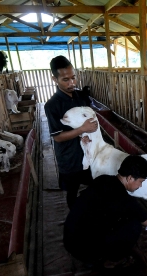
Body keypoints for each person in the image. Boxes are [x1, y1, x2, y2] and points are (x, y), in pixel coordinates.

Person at [63, 155, 147, 268]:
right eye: (141, 181)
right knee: (135, 225)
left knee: (119, 218)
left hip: (69, 240)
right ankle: (112, 260)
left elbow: (75, 179)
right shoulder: (125, 200)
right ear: (130, 178)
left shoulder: (102, 179)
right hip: (84, 251)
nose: (140, 185)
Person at [44, 55, 98, 209]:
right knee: (72, 192)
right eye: (65, 80)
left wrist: (88, 134)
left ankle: (93, 211)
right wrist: (82, 129)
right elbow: (58, 137)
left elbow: (92, 119)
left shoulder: (82, 97)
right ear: (55, 79)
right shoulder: (52, 106)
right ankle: (75, 219)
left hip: (88, 152)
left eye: (73, 78)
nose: (72, 83)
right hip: (69, 157)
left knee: (95, 183)